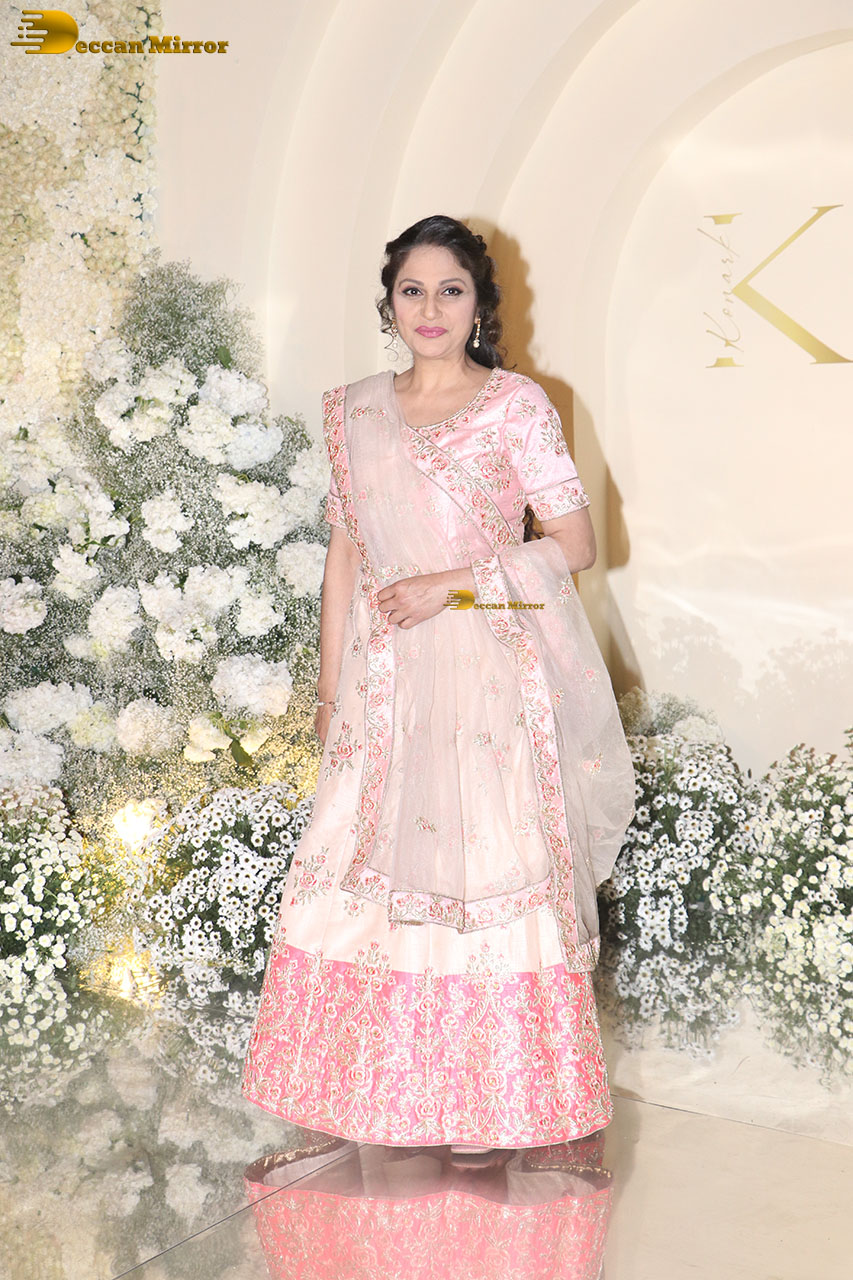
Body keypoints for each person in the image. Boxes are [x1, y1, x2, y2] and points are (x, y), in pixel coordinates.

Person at [241, 214, 635, 1157]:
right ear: (388, 304)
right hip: (381, 684)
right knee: (351, 867)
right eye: (411, 290)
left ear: (478, 305)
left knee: (481, 871)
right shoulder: (352, 411)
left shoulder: (516, 406)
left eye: (449, 290)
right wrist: (330, 689)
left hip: (484, 675)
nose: (430, 308)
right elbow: (345, 552)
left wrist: (449, 586)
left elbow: (574, 546)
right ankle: (355, 1096)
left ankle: (492, 1102)